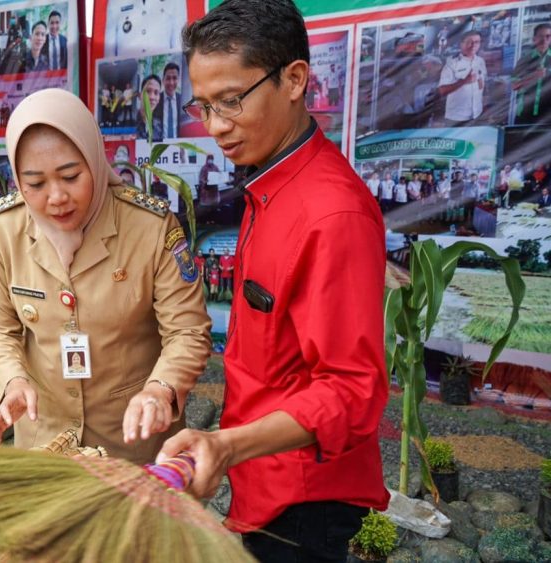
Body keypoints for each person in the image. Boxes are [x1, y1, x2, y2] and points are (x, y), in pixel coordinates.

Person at [160, 2, 390, 560]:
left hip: (305, 497)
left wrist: (225, 445)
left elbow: (352, 391)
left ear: (294, 79)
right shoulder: (269, 181)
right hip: (264, 478)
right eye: (203, 105)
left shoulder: (331, 213)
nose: (215, 126)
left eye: (231, 100)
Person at [0, 89, 211, 464]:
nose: (57, 197)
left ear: (95, 160)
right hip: (44, 437)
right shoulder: (5, 230)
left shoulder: (149, 227)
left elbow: (187, 330)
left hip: (133, 439)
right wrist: (13, 380)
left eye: (71, 176)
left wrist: (161, 388)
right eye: (35, 184)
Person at [105, 0, 186, 58]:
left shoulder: (176, 1)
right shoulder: (115, 2)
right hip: (126, 72)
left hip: (162, 71)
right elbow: (109, 52)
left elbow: (179, 48)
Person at [438, 30, 487, 125]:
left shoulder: (480, 61)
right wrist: (464, 81)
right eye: (469, 42)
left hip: (477, 114)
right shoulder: (451, 64)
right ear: (462, 44)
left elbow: (481, 83)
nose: (473, 45)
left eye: (477, 42)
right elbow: (442, 91)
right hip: (456, 118)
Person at [512, 23, 551, 125]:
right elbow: (514, 86)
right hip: (525, 113)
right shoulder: (524, 60)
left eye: (548, 36)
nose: (544, 40)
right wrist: (533, 76)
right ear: (534, 39)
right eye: (541, 36)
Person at [136, 74, 163, 142]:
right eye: (148, 91)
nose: (152, 97)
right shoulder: (130, 123)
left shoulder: (160, 127)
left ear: (159, 99)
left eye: (156, 93)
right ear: (140, 95)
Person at [161, 62, 182, 139]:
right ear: (163, 80)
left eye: (174, 78)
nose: (171, 82)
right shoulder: (156, 100)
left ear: (178, 80)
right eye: (168, 78)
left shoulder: (182, 101)